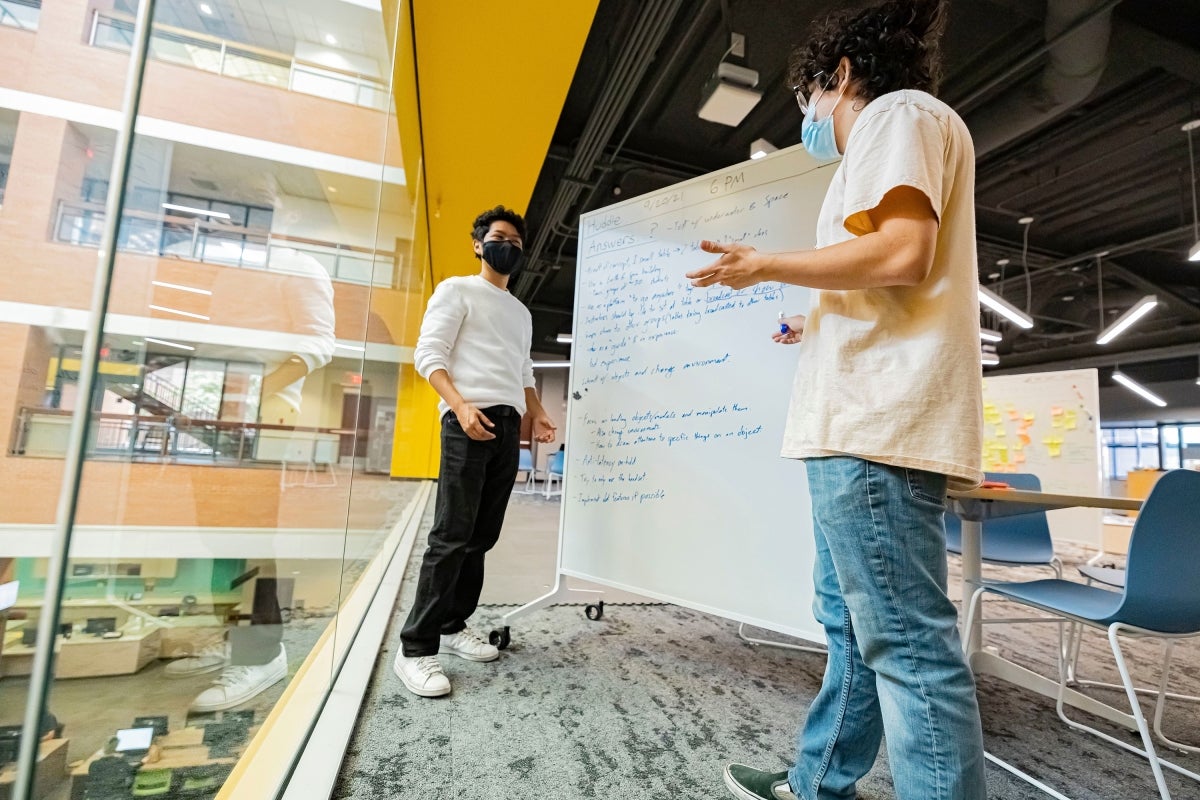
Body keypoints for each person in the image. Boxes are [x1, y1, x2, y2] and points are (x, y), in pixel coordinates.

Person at [686, 2, 987, 798]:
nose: (809, 120)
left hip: (875, 429)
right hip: (859, 423)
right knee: (853, 628)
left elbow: (903, 251)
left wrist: (768, 265)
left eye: (809, 100)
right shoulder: (908, 127)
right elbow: (891, 270)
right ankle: (819, 782)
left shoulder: (897, 113)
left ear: (842, 76)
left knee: (909, 648)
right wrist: (812, 316)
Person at [394, 205, 556, 697]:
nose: (509, 247)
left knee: (481, 536)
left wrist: (538, 412)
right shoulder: (457, 290)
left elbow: (523, 370)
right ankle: (415, 650)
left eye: (517, 242)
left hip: (507, 426)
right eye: (500, 237)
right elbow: (430, 355)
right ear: (479, 244)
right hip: (468, 420)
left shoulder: (521, 311)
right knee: (450, 535)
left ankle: (452, 625)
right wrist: (460, 407)